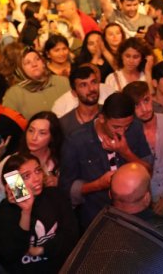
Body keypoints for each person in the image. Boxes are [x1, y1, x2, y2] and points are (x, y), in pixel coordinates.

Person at [59, 92, 151, 228]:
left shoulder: (135, 128)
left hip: (135, 214)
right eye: (116, 127)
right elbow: (66, 189)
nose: (122, 132)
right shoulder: (76, 141)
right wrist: (97, 185)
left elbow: (149, 170)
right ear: (102, 118)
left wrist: (125, 152)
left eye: (127, 126)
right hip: (96, 218)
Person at [0, 153, 78, 273]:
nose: (37, 178)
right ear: (11, 184)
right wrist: (26, 211)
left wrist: (42, 249)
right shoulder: (5, 212)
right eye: (26, 176)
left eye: (38, 171)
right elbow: (12, 253)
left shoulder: (55, 196)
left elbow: (72, 236)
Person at [121, 81, 163, 215]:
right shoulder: (129, 133)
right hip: (140, 203)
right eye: (137, 105)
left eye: (146, 100)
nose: (145, 109)